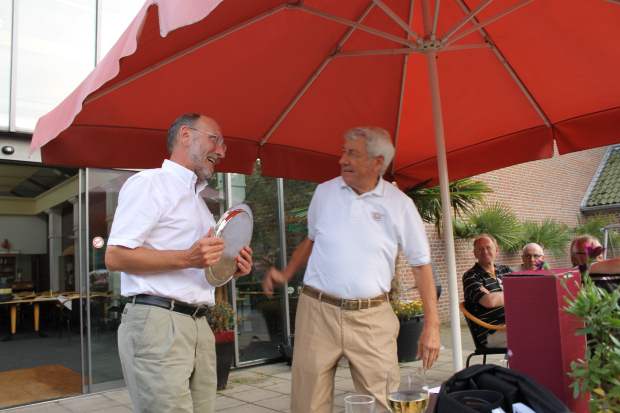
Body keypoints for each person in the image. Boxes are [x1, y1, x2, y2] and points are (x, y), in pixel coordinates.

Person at [262, 127, 441, 413]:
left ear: (377, 162)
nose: (342, 159)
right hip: (317, 312)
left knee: (385, 402)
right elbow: (311, 238)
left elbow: (421, 266)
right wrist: (286, 273)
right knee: (308, 403)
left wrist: (431, 326)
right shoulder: (324, 192)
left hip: (372, 317)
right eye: (343, 151)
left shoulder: (401, 206)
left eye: (352, 153)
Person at [105, 113, 253, 413]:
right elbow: (115, 256)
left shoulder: (199, 204)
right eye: (215, 139)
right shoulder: (149, 184)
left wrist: (229, 269)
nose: (222, 151)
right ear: (186, 135)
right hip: (158, 322)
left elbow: (202, 271)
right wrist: (188, 257)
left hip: (198, 324)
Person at [462, 234, 512, 348]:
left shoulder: (505, 270)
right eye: (480, 249)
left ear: (496, 250)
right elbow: (489, 302)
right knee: (530, 336)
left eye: (488, 247)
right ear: (474, 253)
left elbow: (523, 292)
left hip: (513, 325)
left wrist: (496, 296)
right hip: (491, 332)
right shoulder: (471, 276)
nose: (484, 252)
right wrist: (514, 293)